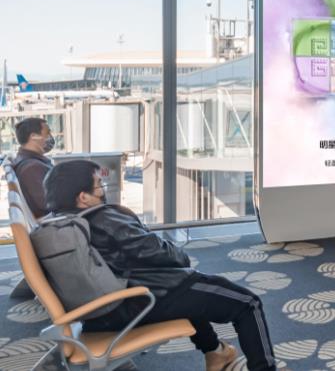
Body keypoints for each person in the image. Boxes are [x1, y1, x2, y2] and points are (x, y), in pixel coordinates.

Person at [43, 160, 284, 371]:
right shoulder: (105, 218)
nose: (103, 190)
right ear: (83, 197)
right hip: (143, 299)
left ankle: (215, 352)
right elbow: (157, 252)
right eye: (99, 185)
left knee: (196, 292)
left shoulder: (57, 225)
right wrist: (181, 257)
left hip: (99, 314)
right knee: (247, 303)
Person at [12, 117, 55, 219]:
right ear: (33, 136)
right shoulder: (31, 168)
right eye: (47, 133)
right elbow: (48, 203)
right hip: (57, 219)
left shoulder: (31, 162)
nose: (50, 137)